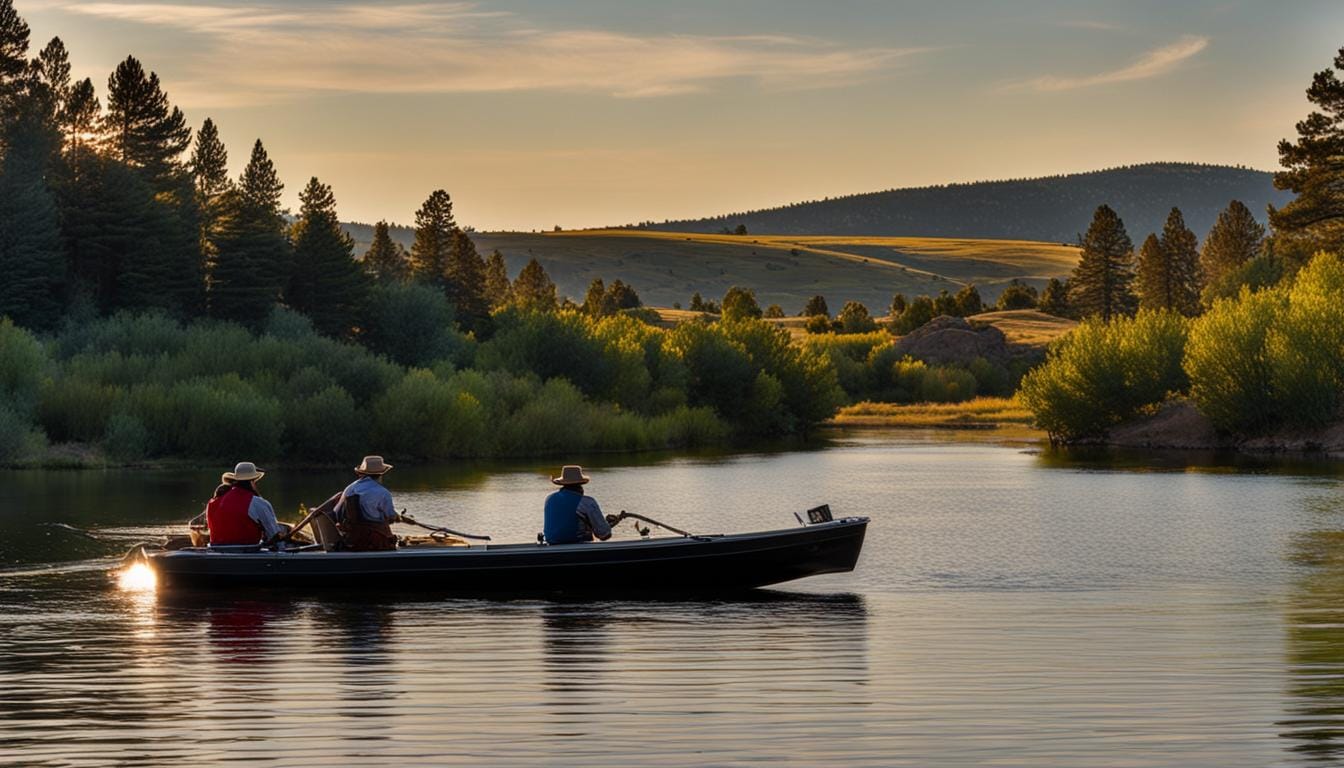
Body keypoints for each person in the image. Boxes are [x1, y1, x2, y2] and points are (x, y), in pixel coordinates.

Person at [205, 462, 284, 545]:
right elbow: (274, 535)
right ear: (252, 482)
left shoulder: (213, 502)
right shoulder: (258, 502)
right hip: (247, 549)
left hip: (217, 548)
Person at [331, 455, 400, 551]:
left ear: (361, 473)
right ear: (381, 474)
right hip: (373, 539)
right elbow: (391, 517)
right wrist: (397, 517)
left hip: (351, 537)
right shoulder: (383, 493)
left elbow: (336, 511)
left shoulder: (350, 488)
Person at [543, 465, 613, 545]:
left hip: (552, 545)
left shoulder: (549, 499)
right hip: (577, 545)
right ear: (580, 485)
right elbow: (604, 535)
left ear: (563, 484)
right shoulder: (587, 502)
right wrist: (607, 525)